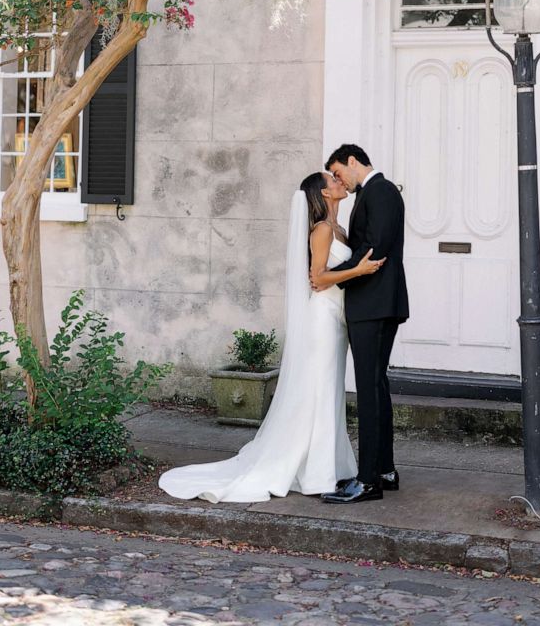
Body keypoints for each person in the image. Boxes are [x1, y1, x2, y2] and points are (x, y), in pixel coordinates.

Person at [158, 171, 384, 504]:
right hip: (321, 319)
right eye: (333, 180)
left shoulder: (340, 229)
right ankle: (316, 473)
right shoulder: (321, 231)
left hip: (337, 321)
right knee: (319, 390)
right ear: (323, 193)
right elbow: (319, 277)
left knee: (331, 391)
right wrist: (359, 270)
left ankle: (328, 465)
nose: (339, 181)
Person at [315, 144, 409, 505]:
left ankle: (368, 480)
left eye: (339, 172)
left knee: (369, 390)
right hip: (376, 303)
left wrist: (328, 275)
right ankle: (384, 469)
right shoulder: (373, 193)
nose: (339, 180)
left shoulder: (380, 190)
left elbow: (374, 249)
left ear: (352, 161)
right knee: (375, 385)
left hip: (374, 304)